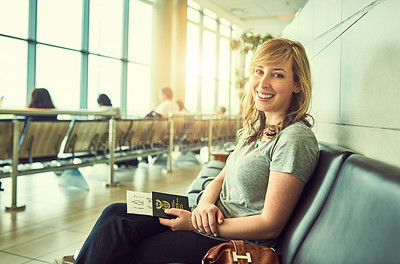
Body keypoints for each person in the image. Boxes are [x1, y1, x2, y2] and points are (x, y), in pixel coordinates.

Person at [61, 38, 319, 264]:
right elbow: (221, 177)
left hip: (229, 237)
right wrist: (205, 203)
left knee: (130, 247)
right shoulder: (259, 127)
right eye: (258, 71)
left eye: (277, 75)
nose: (263, 83)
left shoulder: (294, 138)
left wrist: (195, 222)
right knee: (116, 213)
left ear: (297, 84)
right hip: (204, 213)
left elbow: (270, 224)